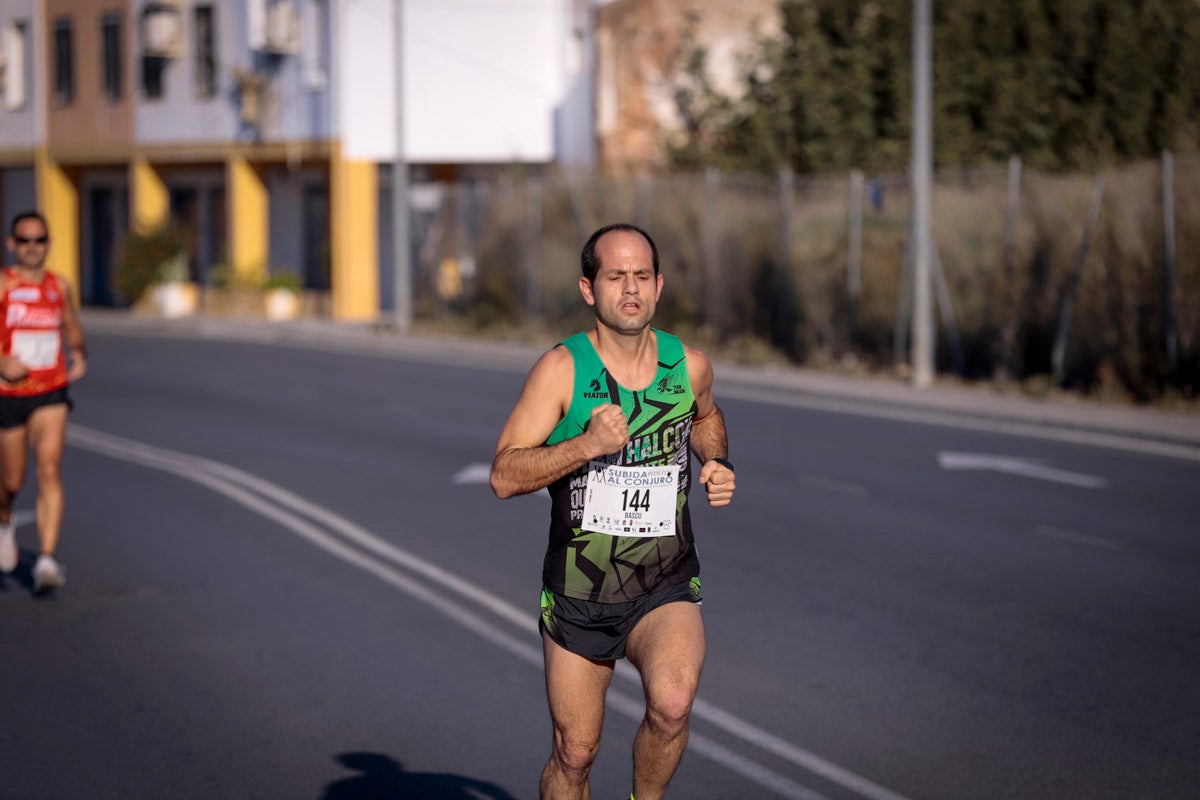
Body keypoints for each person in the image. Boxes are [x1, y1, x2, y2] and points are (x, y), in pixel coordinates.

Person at [490, 223, 736, 800]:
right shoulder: (562, 370)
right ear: (588, 288)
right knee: (575, 753)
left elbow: (705, 417)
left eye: (642, 276)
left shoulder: (688, 365)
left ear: (659, 285)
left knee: (672, 705)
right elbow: (503, 475)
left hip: (664, 582)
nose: (631, 289)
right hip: (581, 590)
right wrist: (584, 445)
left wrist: (717, 462)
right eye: (616, 276)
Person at [0, 211, 87, 593]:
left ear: (48, 244)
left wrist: (79, 349)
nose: (32, 247)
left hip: (51, 390)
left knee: (49, 469)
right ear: (11, 244)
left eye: (39, 240)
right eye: (24, 240)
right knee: (12, 478)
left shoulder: (58, 286)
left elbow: (69, 323)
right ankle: (4, 522)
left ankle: (47, 561)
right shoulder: (3, 285)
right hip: (10, 394)